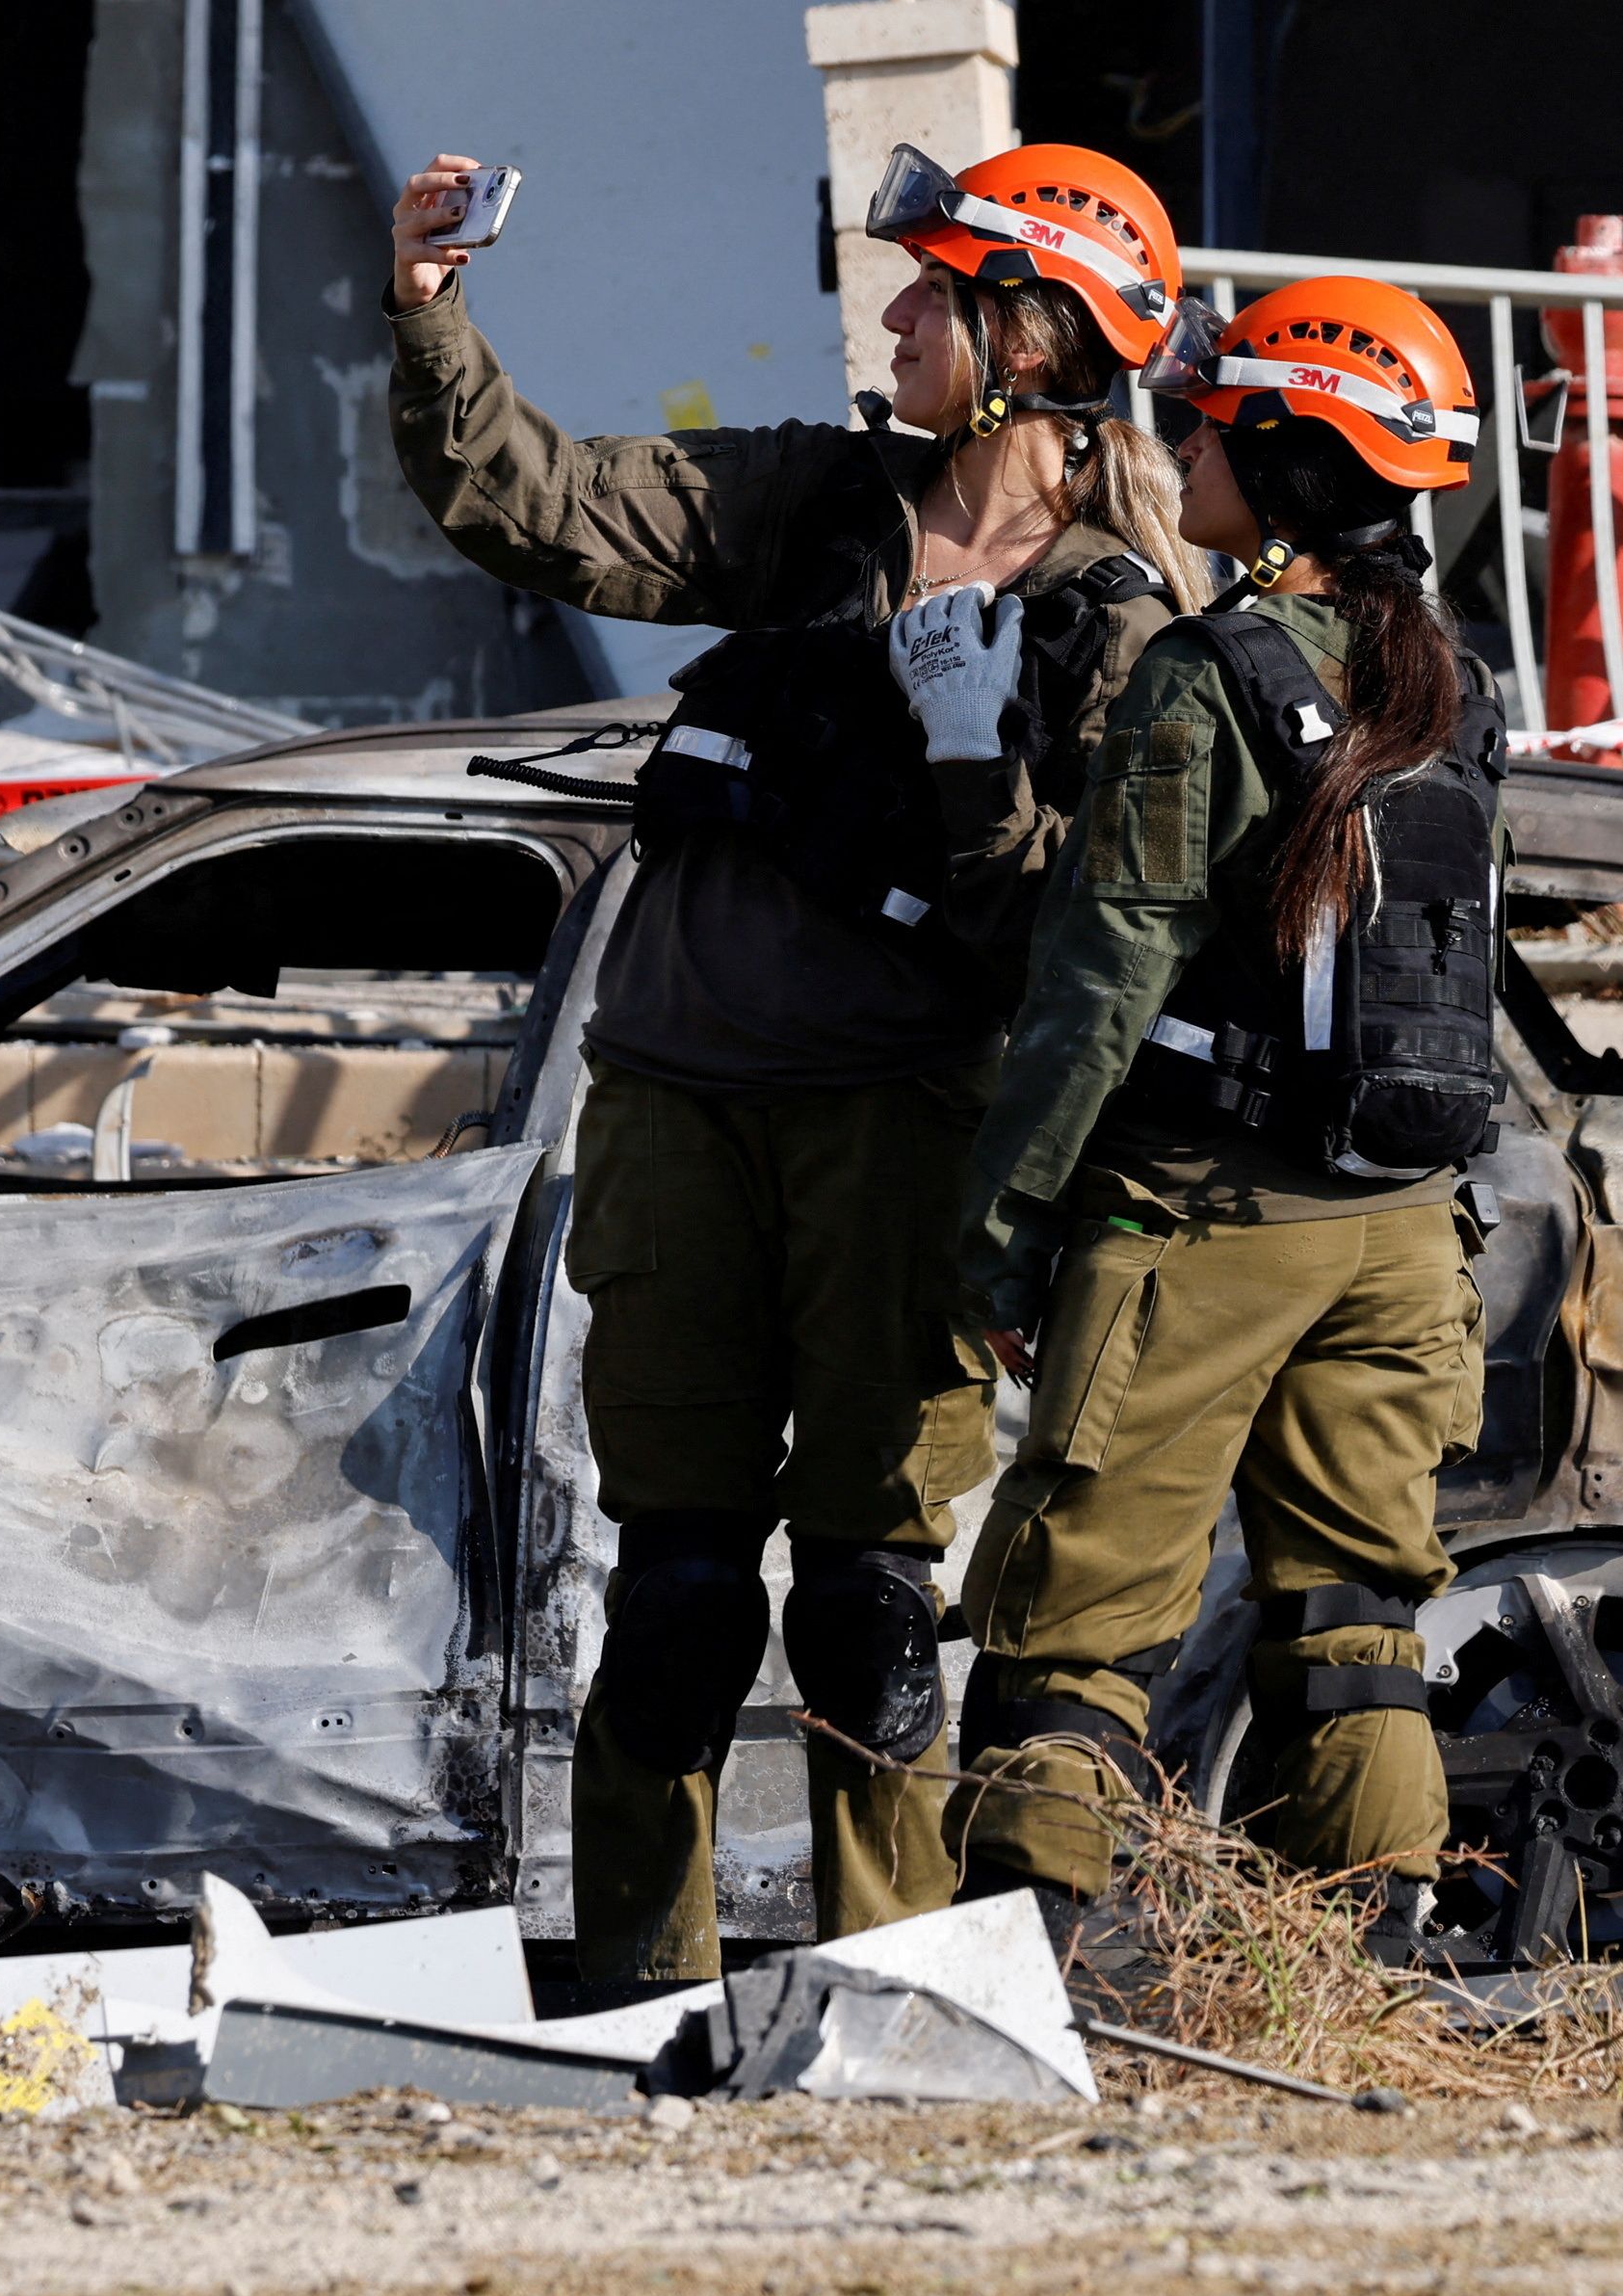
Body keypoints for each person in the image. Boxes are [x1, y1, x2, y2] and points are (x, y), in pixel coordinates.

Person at [380, 135, 1208, 1993]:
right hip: (679, 1095)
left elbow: (1110, 941)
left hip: (900, 1134)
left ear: (1031, 341)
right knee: (670, 1603)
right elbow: (553, 504)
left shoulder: (1119, 626)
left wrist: (972, 787)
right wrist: (434, 310)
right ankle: (630, 2004)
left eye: (937, 291)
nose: (899, 311)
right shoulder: (821, 507)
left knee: (864, 1613)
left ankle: (896, 2014)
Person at [939, 276, 1505, 1947]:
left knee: (1075, 1622)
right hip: (1404, 1238)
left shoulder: (1209, 675)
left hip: (1203, 1221)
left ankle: (1015, 1977)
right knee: (1354, 1620)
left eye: (1211, 423)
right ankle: (1376, 1985)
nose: (1181, 442)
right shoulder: (1457, 684)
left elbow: (1105, 971)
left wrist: (998, 1227)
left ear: (1287, 452)